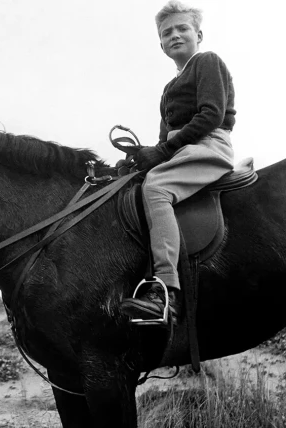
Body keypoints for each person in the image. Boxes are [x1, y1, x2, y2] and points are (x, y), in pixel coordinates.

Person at [120, 1, 236, 324]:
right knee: (137, 183)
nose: (175, 35)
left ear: (198, 34)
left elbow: (211, 114)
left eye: (182, 28)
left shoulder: (207, 62)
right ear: (161, 45)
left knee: (156, 188)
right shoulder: (168, 90)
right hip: (182, 150)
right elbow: (162, 144)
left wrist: (163, 151)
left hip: (209, 144)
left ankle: (166, 291)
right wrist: (140, 160)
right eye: (166, 32)